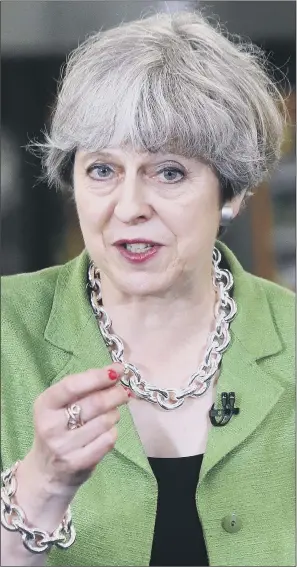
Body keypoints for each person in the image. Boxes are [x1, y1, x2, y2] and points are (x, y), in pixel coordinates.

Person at [1, 10, 295, 567]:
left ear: (230, 193)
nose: (131, 207)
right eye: (103, 170)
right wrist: (41, 485)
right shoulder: (6, 331)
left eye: (169, 172)